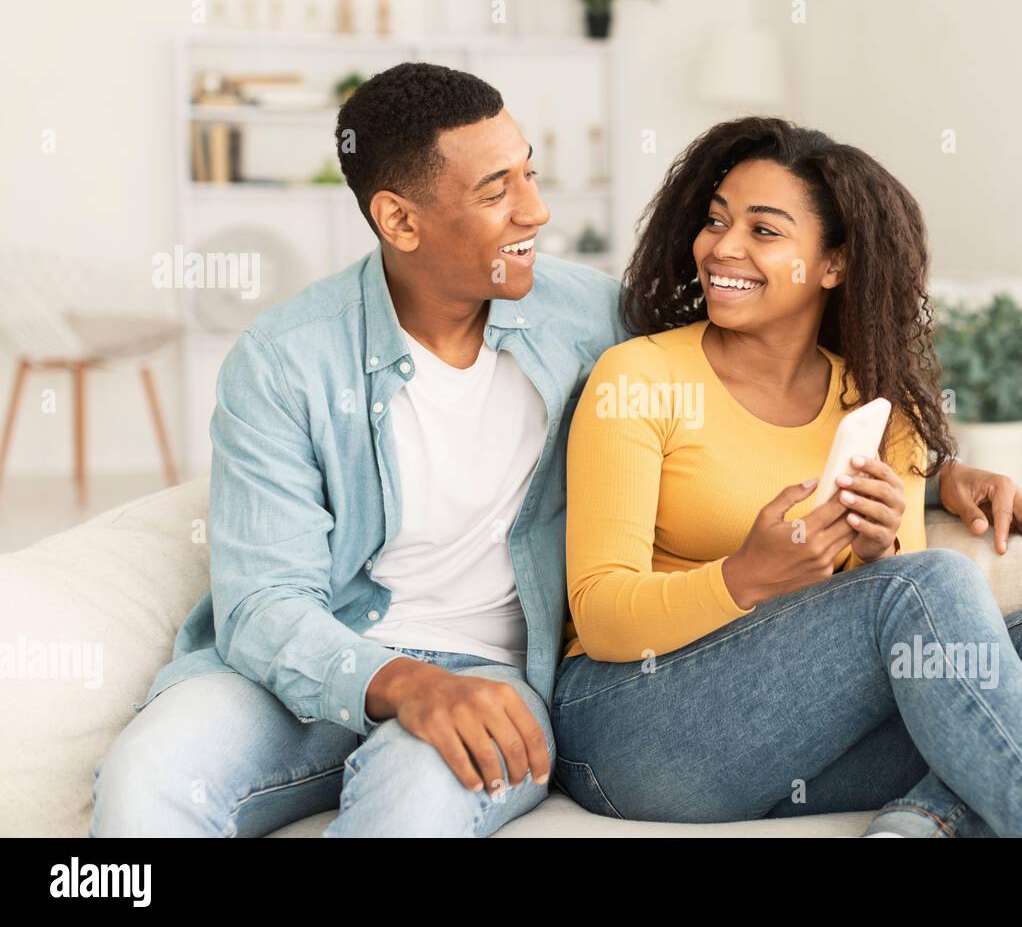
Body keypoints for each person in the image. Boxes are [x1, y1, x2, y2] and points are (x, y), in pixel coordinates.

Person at [552, 116, 1022, 836]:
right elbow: (603, 616)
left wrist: (875, 556)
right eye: (716, 221)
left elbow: (897, 618)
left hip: (789, 748)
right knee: (923, 584)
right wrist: (748, 574)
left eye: (764, 231)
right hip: (633, 728)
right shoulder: (638, 377)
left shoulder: (874, 409)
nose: (722, 248)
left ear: (833, 264)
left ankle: (921, 827)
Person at [90, 63, 624, 836]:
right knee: (146, 777)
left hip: (490, 678)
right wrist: (399, 681)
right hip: (304, 670)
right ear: (400, 221)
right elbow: (262, 604)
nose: (535, 211)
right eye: (495, 190)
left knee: (412, 805)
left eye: (530, 174)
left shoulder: (594, 319)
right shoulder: (285, 358)